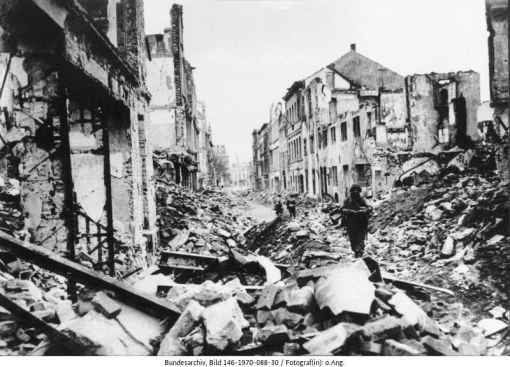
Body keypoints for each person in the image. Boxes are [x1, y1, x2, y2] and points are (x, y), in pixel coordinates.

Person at [340, 184, 372, 258]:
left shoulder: (362, 200)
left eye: (357, 190)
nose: (355, 192)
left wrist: (364, 210)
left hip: (361, 222)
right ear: (351, 191)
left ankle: (360, 253)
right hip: (351, 223)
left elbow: (370, 207)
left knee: (361, 239)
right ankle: (356, 251)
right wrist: (349, 211)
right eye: (354, 190)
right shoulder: (347, 200)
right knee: (353, 240)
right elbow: (341, 209)